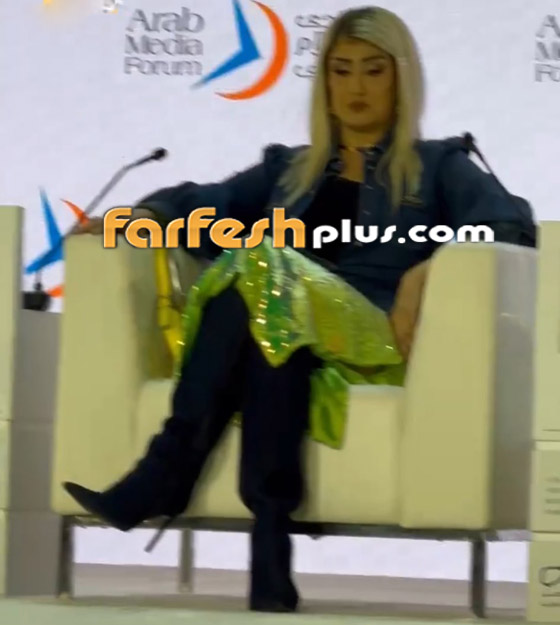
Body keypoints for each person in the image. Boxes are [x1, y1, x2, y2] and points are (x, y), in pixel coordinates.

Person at [63, 6, 535, 613]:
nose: (356, 86)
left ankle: (166, 471)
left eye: (373, 70)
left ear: (401, 79)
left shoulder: (438, 166)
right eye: (341, 70)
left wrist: (428, 268)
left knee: (262, 261)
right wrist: (143, 215)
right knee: (269, 325)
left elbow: (511, 225)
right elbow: (206, 204)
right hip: (294, 334)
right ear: (324, 82)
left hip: (375, 335)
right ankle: (270, 547)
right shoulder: (288, 171)